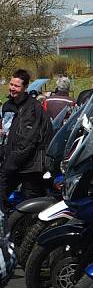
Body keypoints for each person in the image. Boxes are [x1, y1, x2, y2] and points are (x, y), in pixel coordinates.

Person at [0, 69, 49, 207]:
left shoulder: (33, 108)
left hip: (29, 166)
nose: (12, 88)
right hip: (10, 161)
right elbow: (6, 134)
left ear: (26, 87)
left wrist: (8, 165)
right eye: (11, 84)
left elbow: (27, 142)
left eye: (16, 86)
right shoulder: (7, 106)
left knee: (29, 206)